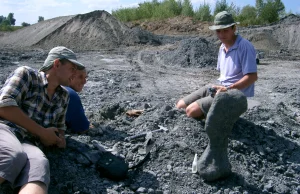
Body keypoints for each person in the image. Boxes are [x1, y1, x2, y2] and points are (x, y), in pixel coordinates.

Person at [0, 46, 85, 193]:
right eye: (72, 68)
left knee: (40, 165)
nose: (75, 74)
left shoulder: (64, 96)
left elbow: (60, 128)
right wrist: (42, 132)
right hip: (5, 130)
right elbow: (4, 105)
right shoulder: (26, 74)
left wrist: (58, 139)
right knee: (13, 155)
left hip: (29, 142)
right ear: (57, 64)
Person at [176, 11, 258, 119]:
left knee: (191, 111)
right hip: (219, 88)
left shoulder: (244, 46)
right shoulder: (222, 47)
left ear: (234, 28)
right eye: (218, 31)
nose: (221, 35)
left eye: (225, 30)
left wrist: (228, 89)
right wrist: (218, 88)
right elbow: (224, 76)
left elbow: (252, 77)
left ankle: (229, 112)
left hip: (234, 94)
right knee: (180, 106)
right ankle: (218, 111)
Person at [64, 69, 90, 133]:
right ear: (70, 76)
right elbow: (82, 128)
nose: (84, 82)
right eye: (80, 77)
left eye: (85, 77)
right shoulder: (69, 94)